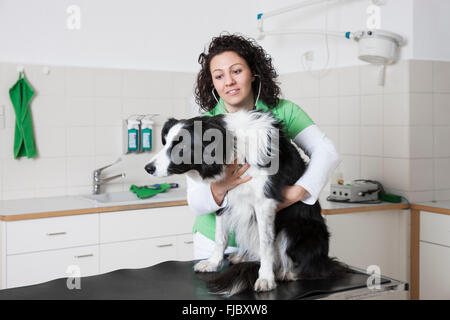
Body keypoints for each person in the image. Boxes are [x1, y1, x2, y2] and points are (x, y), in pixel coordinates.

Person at [187, 33, 340, 260]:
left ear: (253, 73)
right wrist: (222, 186)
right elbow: (197, 203)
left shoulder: (282, 112)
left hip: (273, 243)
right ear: (213, 84)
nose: (228, 81)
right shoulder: (204, 126)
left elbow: (326, 152)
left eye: (237, 71)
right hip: (217, 246)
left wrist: (295, 193)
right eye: (219, 76)